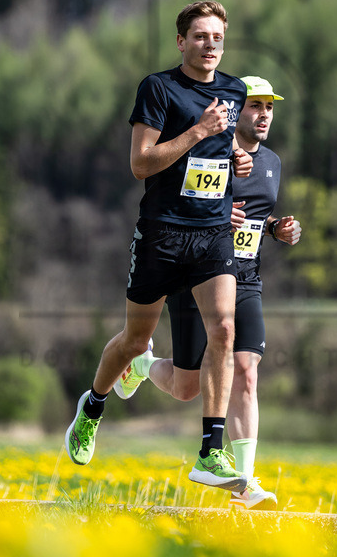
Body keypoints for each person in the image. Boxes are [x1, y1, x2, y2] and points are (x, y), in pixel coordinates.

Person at [64, 0, 254, 493]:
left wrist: (234, 156)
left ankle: (212, 452)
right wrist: (198, 131)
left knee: (226, 330)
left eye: (217, 37)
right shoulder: (159, 88)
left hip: (211, 232)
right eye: (199, 36)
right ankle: (95, 404)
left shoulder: (235, 90)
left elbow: (218, 150)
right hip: (162, 233)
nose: (209, 45)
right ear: (181, 42)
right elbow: (142, 164)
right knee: (133, 340)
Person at [113, 75, 300, 510]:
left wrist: (278, 229)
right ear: (234, 112)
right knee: (185, 388)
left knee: (247, 371)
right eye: (255, 106)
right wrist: (216, 219)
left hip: (245, 277)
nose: (264, 114)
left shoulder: (272, 161)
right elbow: (181, 200)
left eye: (269, 107)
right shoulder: (207, 153)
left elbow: (258, 217)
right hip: (199, 271)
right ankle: (142, 363)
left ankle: (245, 483)